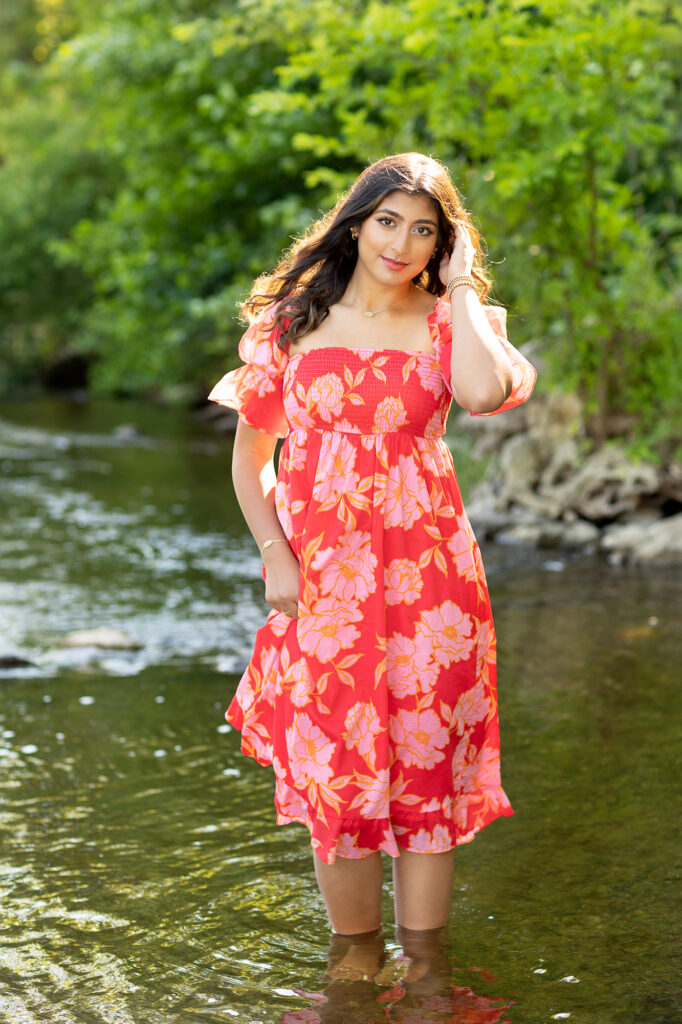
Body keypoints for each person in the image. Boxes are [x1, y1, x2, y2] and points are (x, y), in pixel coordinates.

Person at [208, 152, 536, 945]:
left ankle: (427, 976)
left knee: (425, 772)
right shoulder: (291, 322)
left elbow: (488, 395)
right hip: (322, 584)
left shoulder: (450, 322)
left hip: (432, 584)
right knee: (338, 778)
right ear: (356, 222)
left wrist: (460, 288)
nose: (402, 242)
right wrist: (275, 555)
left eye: (425, 230)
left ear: (442, 245)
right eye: (388, 220)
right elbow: (250, 458)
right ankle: (352, 974)